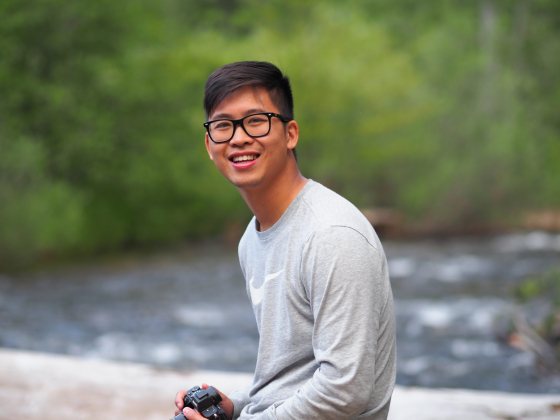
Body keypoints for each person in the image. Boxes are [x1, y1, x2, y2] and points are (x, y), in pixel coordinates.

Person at [175, 61, 396, 420]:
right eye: (223, 125)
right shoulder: (252, 238)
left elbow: (345, 390)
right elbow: (291, 370)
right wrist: (236, 405)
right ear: (209, 143)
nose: (239, 137)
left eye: (256, 121)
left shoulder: (332, 235)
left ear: (290, 133)